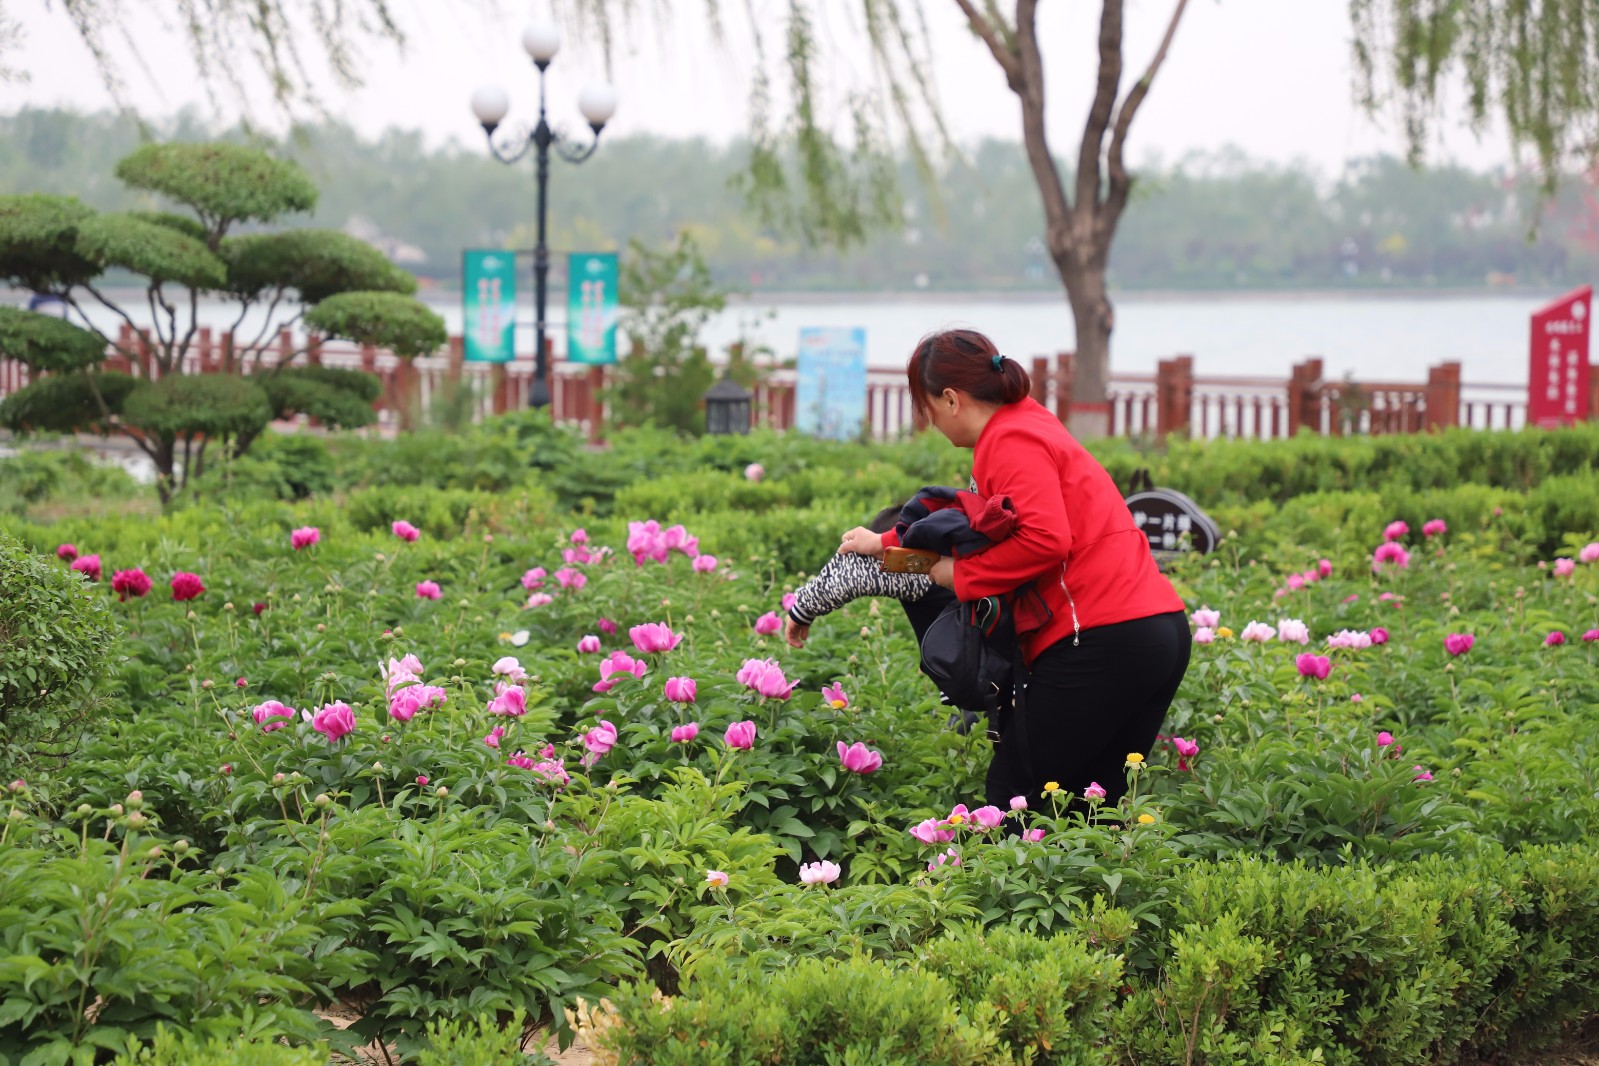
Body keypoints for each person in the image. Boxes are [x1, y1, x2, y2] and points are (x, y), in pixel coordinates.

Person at [838, 328, 1191, 811]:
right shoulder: (1032, 422)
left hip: (1098, 637)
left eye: (928, 410)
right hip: (1157, 630)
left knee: (1011, 805)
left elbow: (1047, 539)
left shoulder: (1009, 439)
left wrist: (959, 576)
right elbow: (985, 524)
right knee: (1092, 807)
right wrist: (884, 541)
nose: (932, 424)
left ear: (951, 399)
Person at [784, 502, 974, 729]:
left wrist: (801, 611)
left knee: (973, 725)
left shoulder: (919, 567)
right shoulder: (958, 565)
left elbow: (850, 575)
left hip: (977, 677)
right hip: (984, 669)